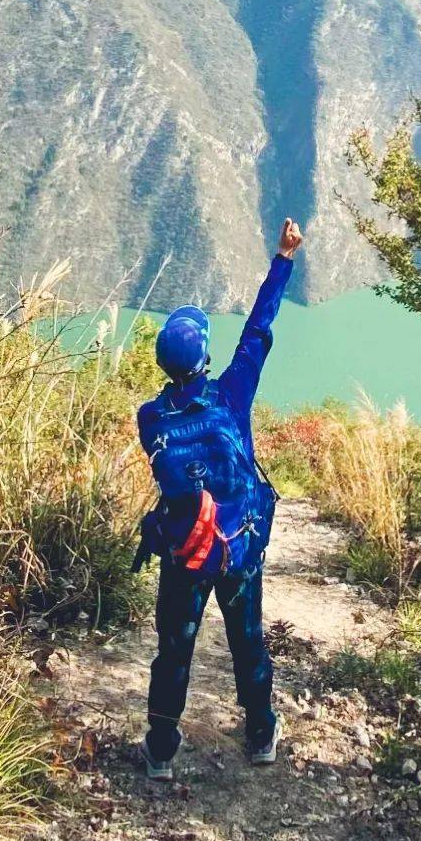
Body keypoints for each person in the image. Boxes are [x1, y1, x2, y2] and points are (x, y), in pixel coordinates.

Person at [134, 217, 304, 780]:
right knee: (247, 641)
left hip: (186, 552)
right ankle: (260, 733)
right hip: (239, 547)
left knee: (174, 651)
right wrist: (283, 259)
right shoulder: (232, 396)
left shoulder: (150, 417)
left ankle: (160, 748)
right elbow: (259, 330)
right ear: (205, 360)